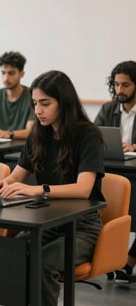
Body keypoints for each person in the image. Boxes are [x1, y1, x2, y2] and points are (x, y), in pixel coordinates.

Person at [0, 70, 105, 306]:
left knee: (43, 263)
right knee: (12, 255)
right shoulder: (38, 134)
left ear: (63, 103)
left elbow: (83, 189)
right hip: (46, 222)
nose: (38, 111)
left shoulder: (88, 135)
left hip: (82, 226)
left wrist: (37, 190)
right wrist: (1, 184)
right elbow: (17, 176)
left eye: (45, 103)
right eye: (35, 103)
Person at [94, 60, 136, 284]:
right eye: (117, 85)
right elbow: (94, 137)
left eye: (126, 85)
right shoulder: (108, 109)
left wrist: (134, 147)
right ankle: (108, 257)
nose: (120, 90)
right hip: (113, 168)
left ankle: (128, 261)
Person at [0, 51, 34, 140]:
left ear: (21, 74)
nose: (6, 78)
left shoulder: (32, 97)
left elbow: (31, 131)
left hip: (23, 150)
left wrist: (9, 134)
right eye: (3, 73)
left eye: (11, 73)